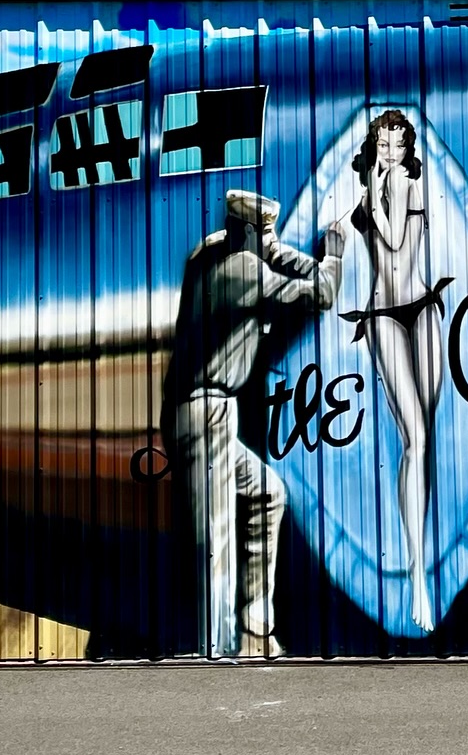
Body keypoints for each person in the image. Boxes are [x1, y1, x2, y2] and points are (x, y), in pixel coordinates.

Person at [162, 190, 346, 657]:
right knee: (216, 537)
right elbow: (322, 293)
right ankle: (217, 651)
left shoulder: (208, 252)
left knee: (268, 495)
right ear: (249, 232)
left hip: (202, 411)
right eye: (266, 232)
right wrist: (334, 254)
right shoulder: (243, 271)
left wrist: (271, 245)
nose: (274, 240)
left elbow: (263, 259)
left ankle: (255, 628)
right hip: (207, 411)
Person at [339, 110, 451, 632]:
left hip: (422, 309)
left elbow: (395, 241)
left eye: (398, 144)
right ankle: (419, 578)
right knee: (416, 439)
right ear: (374, 144)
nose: (391, 152)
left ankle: (418, 564)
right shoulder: (376, 184)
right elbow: (347, 234)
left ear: (408, 149)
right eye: (382, 144)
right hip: (384, 314)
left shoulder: (402, 182)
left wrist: (372, 191)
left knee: (420, 443)